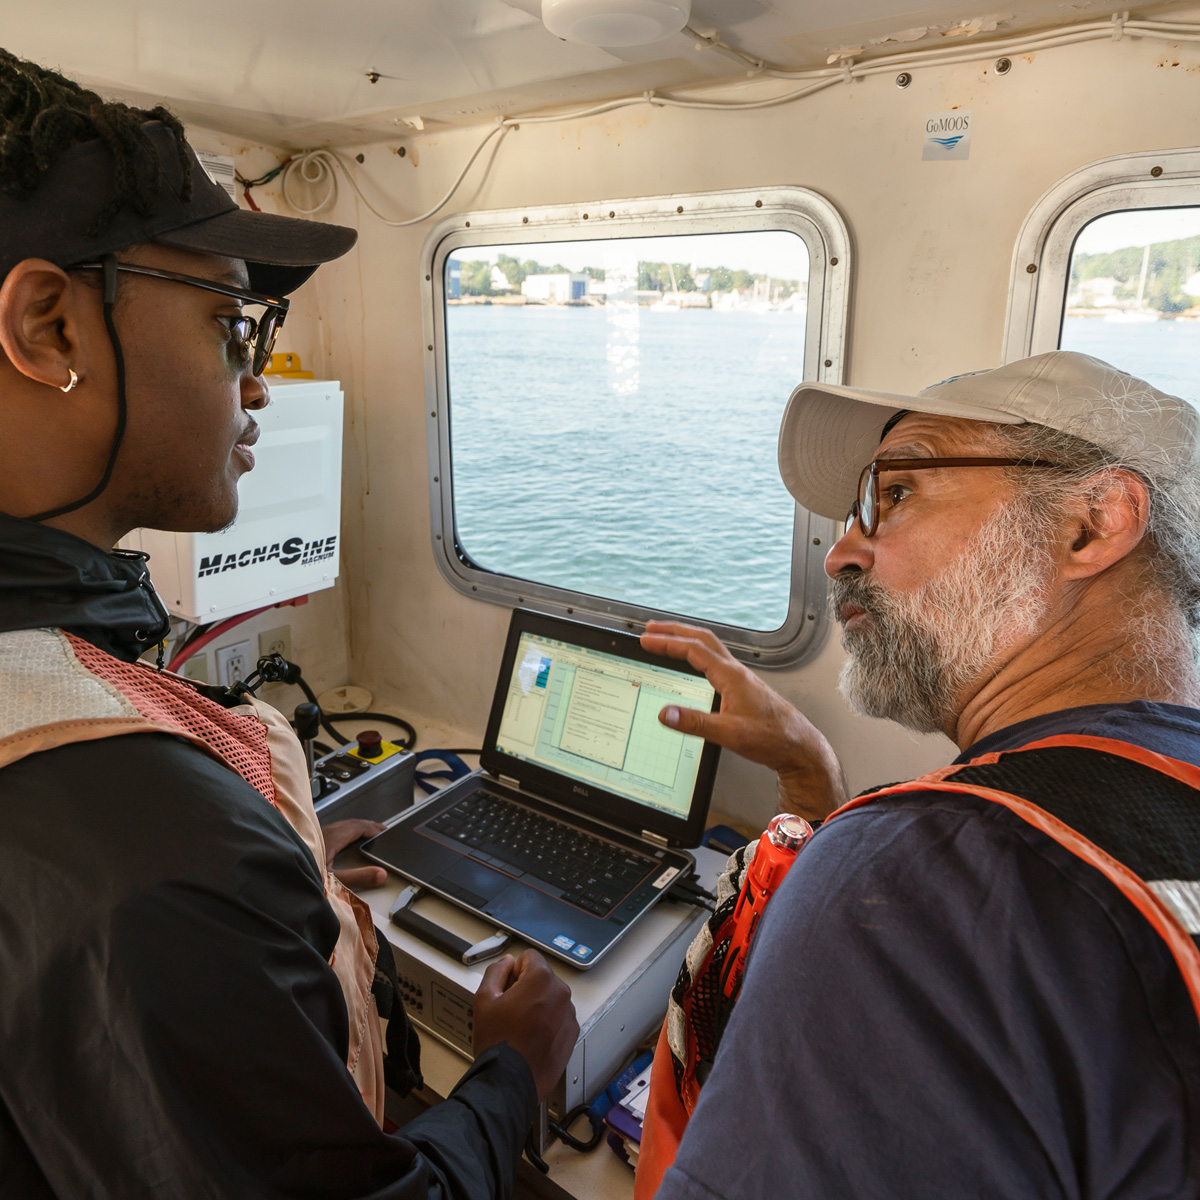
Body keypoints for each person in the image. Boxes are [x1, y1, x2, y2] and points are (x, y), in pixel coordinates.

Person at [0, 51, 577, 1198]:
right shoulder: (153, 861)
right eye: (232, 325)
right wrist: (511, 1076)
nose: (258, 385)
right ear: (50, 327)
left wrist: (286, 881)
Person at [640, 351, 1200, 1197]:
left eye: (894, 494)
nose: (841, 554)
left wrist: (861, 851)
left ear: (1091, 523)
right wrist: (812, 783)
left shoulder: (923, 883)